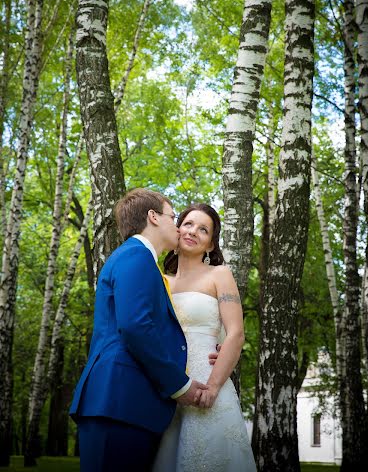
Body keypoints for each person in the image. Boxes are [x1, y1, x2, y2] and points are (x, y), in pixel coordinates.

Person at [69, 188, 217, 472]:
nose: (177, 226)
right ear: (153, 217)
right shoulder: (136, 257)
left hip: (128, 404)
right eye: (173, 217)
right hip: (119, 402)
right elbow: (136, 327)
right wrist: (180, 385)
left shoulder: (139, 260)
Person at [152, 203, 256, 472]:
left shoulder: (219, 275)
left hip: (208, 381)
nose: (193, 231)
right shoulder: (160, 280)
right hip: (167, 386)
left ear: (210, 245)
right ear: (177, 230)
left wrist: (212, 386)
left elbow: (236, 333)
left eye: (203, 229)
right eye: (188, 224)